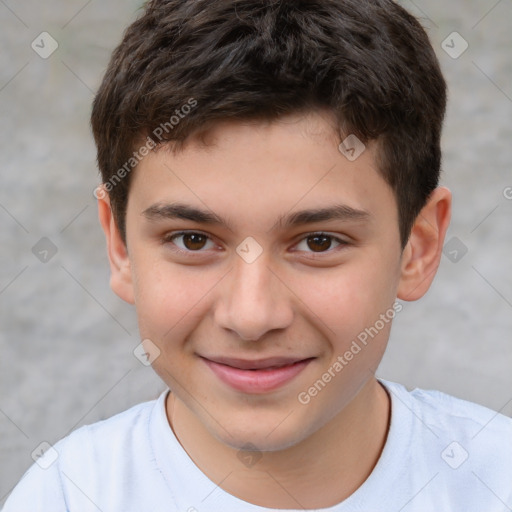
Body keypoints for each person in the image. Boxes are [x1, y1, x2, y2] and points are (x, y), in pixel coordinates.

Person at [3, 0, 511, 510]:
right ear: (120, 247)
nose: (251, 317)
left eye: (319, 242)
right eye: (193, 240)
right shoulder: (66, 496)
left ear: (417, 249)